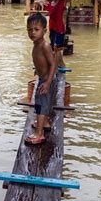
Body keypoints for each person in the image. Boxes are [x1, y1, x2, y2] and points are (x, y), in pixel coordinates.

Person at [25, 13, 57, 145]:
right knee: (45, 103)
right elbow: (41, 62)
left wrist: (48, 82)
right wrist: (37, 70)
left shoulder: (44, 46)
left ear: (44, 30)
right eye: (29, 30)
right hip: (43, 79)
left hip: (46, 81)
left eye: (36, 29)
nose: (32, 33)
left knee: (40, 106)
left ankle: (39, 134)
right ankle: (45, 123)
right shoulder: (36, 44)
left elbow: (53, 64)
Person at [34, 0, 79, 68]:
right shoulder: (48, 2)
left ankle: (58, 66)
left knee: (58, 49)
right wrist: (40, 2)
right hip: (52, 28)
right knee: (53, 48)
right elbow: (35, 3)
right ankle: (57, 65)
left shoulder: (63, 1)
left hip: (60, 29)